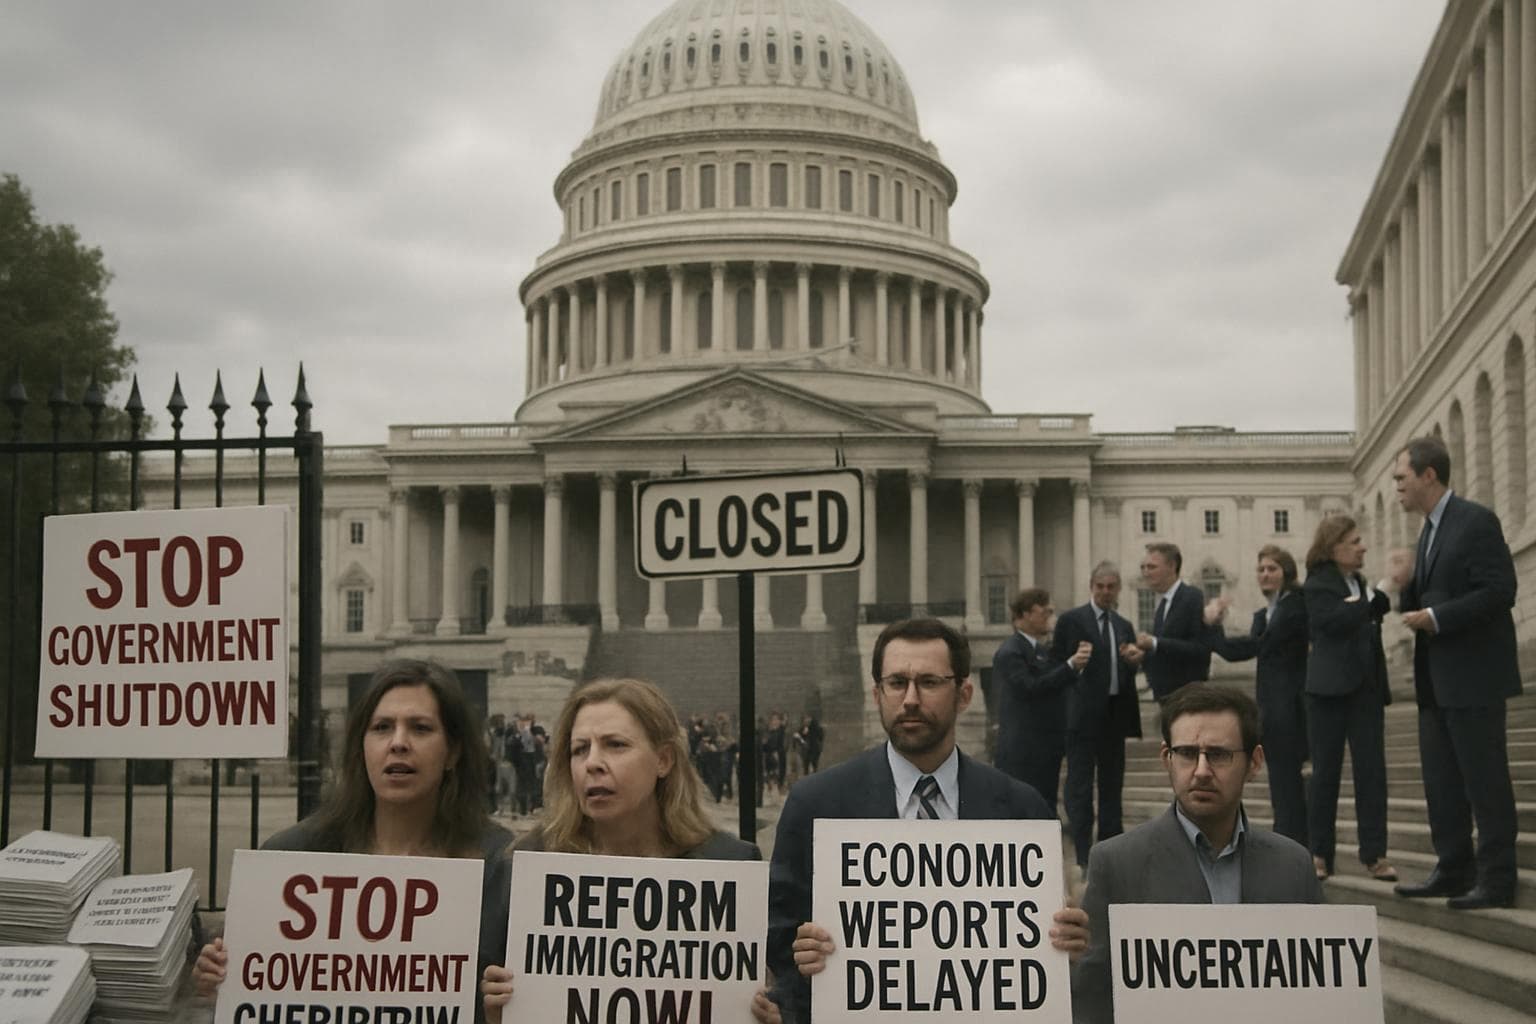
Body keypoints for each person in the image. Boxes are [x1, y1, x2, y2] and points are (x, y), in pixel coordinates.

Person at [769, 618, 1090, 1024]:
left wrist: (1068, 942)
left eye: (930, 682)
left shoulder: (1022, 809)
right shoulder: (815, 803)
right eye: (897, 682)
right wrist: (804, 958)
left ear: (964, 694)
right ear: (877, 693)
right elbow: (778, 935)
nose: (910, 699)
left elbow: (1043, 949)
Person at [193, 659, 512, 1024]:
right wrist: (219, 975)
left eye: (420, 728)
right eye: (381, 727)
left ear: (453, 752)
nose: (398, 743)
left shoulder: (499, 865)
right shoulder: (292, 855)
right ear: (361, 747)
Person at [480, 677, 778, 1023]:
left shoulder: (729, 864)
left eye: (615, 745)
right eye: (579, 750)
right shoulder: (524, 867)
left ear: (663, 760)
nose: (593, 763)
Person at [1072, 684, 1323, 1024]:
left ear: (1255, 763)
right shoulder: (1115, 863)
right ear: (1167, 759)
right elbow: (1093, 1004)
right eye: (1188, 753)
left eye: (1218, 754)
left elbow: (1319, 994)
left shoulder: (1293, 866)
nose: (1202, 770)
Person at [1389, 436, 1522, 909]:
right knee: (1442, 785)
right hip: (1435, 684)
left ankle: (1498, 879)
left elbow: (1500, 590)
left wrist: (1438, 618)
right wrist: (1408, 590)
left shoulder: (1476, 521)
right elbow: (1431, 597)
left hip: (1474, 679)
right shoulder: (1426, 532)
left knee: (1485, 783)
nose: (1396, 488)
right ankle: (1453, 868)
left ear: (1429, 475)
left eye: (1401, 478)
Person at [1302, 515, 1395, 883]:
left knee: (1372, 773)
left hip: (1366, 691)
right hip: (1327, 692)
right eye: (1355, 541)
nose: (1363, 548)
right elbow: (1335, 621)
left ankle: (1376, 855)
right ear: (1333, 546)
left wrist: (1374, 599)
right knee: (1326, 774)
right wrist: (1374, 600)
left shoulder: (1358, 582)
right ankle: (1319, 853)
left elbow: (1374, 614)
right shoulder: (1316, 585)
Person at [1204, 544, 1310, 847]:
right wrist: (1214, 628)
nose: (1264, 574)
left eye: (1272, 569)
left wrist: (1215, 626)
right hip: (1271, 710)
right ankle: (1288, 844)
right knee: (1281, 784)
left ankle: (1296, 847)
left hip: (1295, 708)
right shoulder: (1264, 615)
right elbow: (1240, 650)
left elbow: (1260, 645)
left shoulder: (1295, 605)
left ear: (1286, 573)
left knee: (1291, 784)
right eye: (1261, 569)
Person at [1052, 562, 1144, 872]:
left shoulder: (1123, 625)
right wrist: (1073, 663)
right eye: (1100, 586)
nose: (1105, 592)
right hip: (1081, 719)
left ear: (1118, 589)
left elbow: (1126, 668)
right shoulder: (1071, 620)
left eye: (1111, 587)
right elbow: (1056, 667)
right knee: (1079, 789)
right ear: (1091, 586)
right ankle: (1081, 855)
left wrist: (1134, 661)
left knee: (1111, 788)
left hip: (1115, 717)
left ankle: (1109, 857)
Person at [992, 587, 1092, 816]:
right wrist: (1070, 666)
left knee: (1043, 808)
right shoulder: (1011, 651)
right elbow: (1031, 687)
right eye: (1044, 611)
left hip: (1043, 748)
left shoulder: (1040, 650)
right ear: (1025, 615)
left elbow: (1052, 683)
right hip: (1023, 752)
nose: (1049, 615)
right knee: (1023, 813)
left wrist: (1072, 668)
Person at [1132, 542, 1212, 700]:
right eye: (1143, 567)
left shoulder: (1192, 597)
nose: (1145, 573)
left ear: (1172, 566)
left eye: (1152, 567)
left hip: (1187, 696)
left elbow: (1200, 649)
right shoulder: (1162, 603)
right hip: (1165, 695)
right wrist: (1142, 655)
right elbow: (1165, 651)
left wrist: (1154, 643)